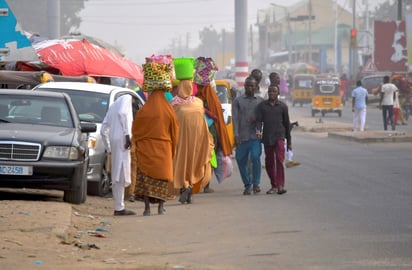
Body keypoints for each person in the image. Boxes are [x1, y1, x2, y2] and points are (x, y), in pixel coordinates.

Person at [132, 89, 179, 216]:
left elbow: (135, 131)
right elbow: (175, 132)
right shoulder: (169, 111)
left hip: (145, 149)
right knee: (162, 179)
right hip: (163, 150)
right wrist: (173, 147)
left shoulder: (143, 111)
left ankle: (147, 208)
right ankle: (160, 207)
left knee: (146, 180)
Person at [171, 80, 214, 204]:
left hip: (180, 139)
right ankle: (189, 187)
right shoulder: (198, 102)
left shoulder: (174, 103)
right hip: (197, 140)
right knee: (193, 163)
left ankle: (185, 186)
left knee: (181, 162)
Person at [100, 95, 136, 216]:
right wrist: (127, 136)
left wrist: (109, 147)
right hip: (122, 141)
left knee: (117, 174)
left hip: (115, 141)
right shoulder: (127, 98)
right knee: (121, 174)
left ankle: (119, 206)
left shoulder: (112, 107)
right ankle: (119, 208)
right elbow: (123, 113)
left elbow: (103, 129)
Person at [196, 81, 233, 193]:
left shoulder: (195, 98)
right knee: (209, 158)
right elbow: (218, 118)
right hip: (211, 132)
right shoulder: (212, 98)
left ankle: (199, 184)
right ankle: (206, 185)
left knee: (199, 159)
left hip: (200, 132)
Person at [256, 85, 291, 195]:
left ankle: (280, 185)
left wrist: (289, 142)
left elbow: (287, 124)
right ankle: (274, 185)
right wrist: (258, 130)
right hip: (267, 137)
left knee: (279, 160)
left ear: (278, 93)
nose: (271, 93)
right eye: (270, 91)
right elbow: (258, 121)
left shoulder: (283, 107)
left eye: (274, 91)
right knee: (269, 162)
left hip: (279, 137)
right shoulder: (262, 106)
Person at [232, 76, 264, 195]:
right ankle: (247, 185)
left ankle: (256, 183)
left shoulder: (260, 101)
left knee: (255, 157)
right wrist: (235, 135)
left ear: (256, 87)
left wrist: (257, 119)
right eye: (248, 85)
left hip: (255, 136)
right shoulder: (238, 101)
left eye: (252, 86)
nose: (250, 88)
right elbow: (235, 119)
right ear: (244, 86)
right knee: (241, 160)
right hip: (242, 136)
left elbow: (265, 117)